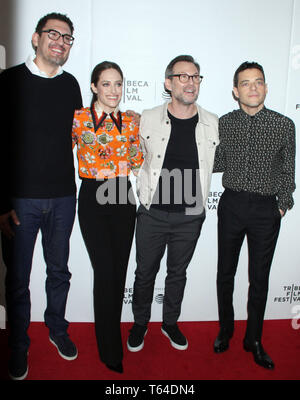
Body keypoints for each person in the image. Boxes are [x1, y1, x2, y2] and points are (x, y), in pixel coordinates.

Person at [0, 13, 83, 380]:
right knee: (17, 279)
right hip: (20, 201)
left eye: (67, 37)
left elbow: (83, 137)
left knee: (59, 271)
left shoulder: (72, 86)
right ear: (35, 39)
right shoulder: (9, 81)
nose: (60, 41)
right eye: (53, 34)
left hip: (64, 196)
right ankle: (18, 345)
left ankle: (57, 329)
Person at [127, 55, 219, 352]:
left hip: (191, 215)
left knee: (177, 273)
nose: (190, 82)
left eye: (195, 76)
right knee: (144, 273)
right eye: (183, 76)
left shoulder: (213, 123)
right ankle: (140, 323)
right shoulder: (147, 118)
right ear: (168, 83)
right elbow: (132, 156)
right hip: (152, 212)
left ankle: (170, 323)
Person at [213, 61, 296, 369]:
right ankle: (226, 329)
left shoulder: (284, 125)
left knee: (259, 279)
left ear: (265, 87)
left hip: (265, 209)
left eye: (258, 82)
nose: (252, 87)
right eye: (245, 83)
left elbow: (289, 170)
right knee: (225, 273)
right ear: (236, 91)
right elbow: (216, 162)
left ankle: (254, 339)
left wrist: (282, 203)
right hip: (232, 204)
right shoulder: (224, 123)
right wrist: (194, 145)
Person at [72, 61, 143, 373]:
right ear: (94, 87)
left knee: (118, 272)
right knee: (105, 274)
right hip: (93, 197)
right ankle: (110, 349)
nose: (113, 91)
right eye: (106, 84)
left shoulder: (130, 121)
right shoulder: (77, 119)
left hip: (122, 196)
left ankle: (110, 338)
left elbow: (137, 161)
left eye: (118, 84)